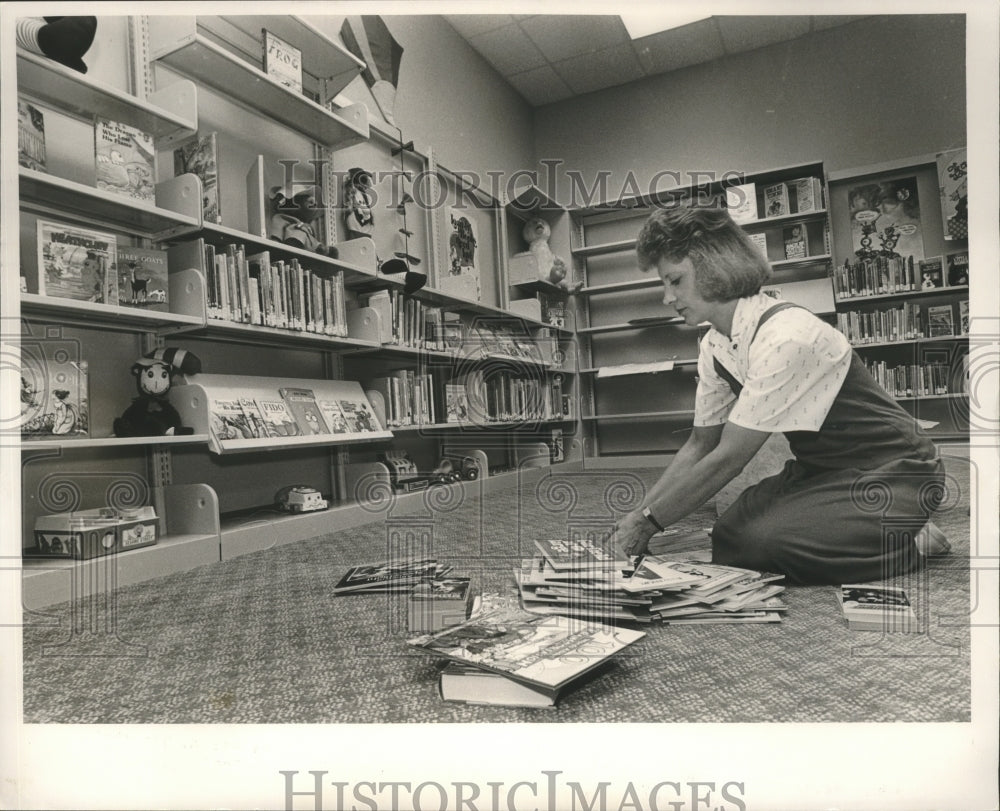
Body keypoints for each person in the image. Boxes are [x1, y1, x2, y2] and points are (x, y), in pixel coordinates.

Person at [612, 205, 949, 586]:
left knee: (764, 546)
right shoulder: (713, 345)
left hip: (896, 471)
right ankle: (868, 531)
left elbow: (728, 459)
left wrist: (649, 523)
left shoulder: (787, 335)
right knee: (729, 537)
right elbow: (700, 445)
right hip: (819, 471)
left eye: (675, 281)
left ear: (713, 268)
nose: (666, 297)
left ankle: (910, 541)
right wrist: (638, 516)